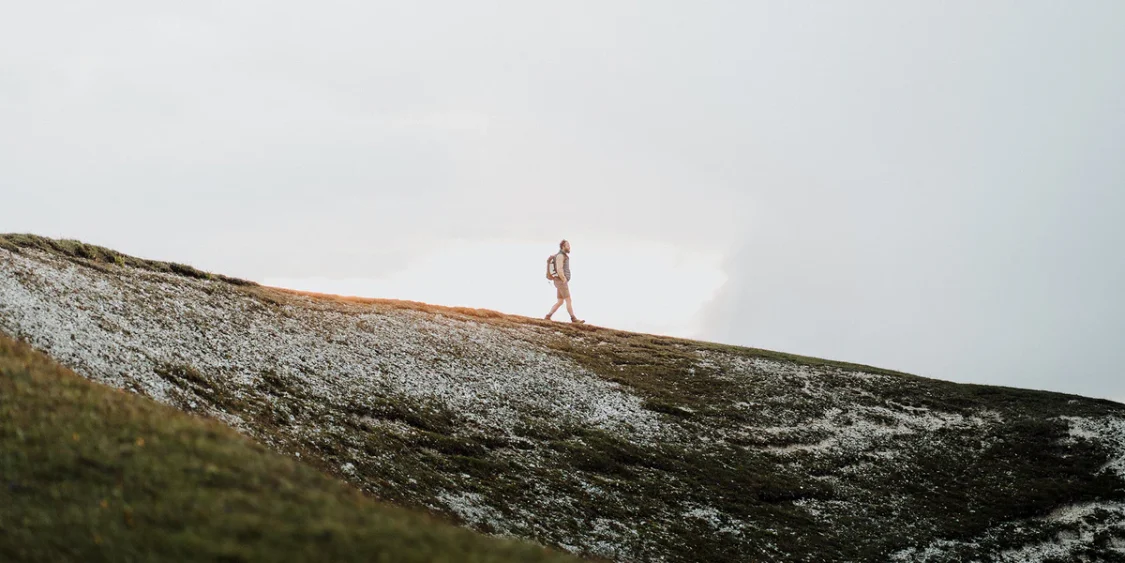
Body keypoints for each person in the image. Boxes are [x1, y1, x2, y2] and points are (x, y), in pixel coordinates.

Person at [545, 239, 585, 324]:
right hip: (561, 281)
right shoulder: (560, 256)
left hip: (559, 281)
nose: (569, 247)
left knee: (560, 301)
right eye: (567, 245)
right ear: (563, 246)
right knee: (568, 300)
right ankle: (574, 319)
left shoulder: (562, 256)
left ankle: (548, 316)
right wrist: (564, 279)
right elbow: (559, 269)